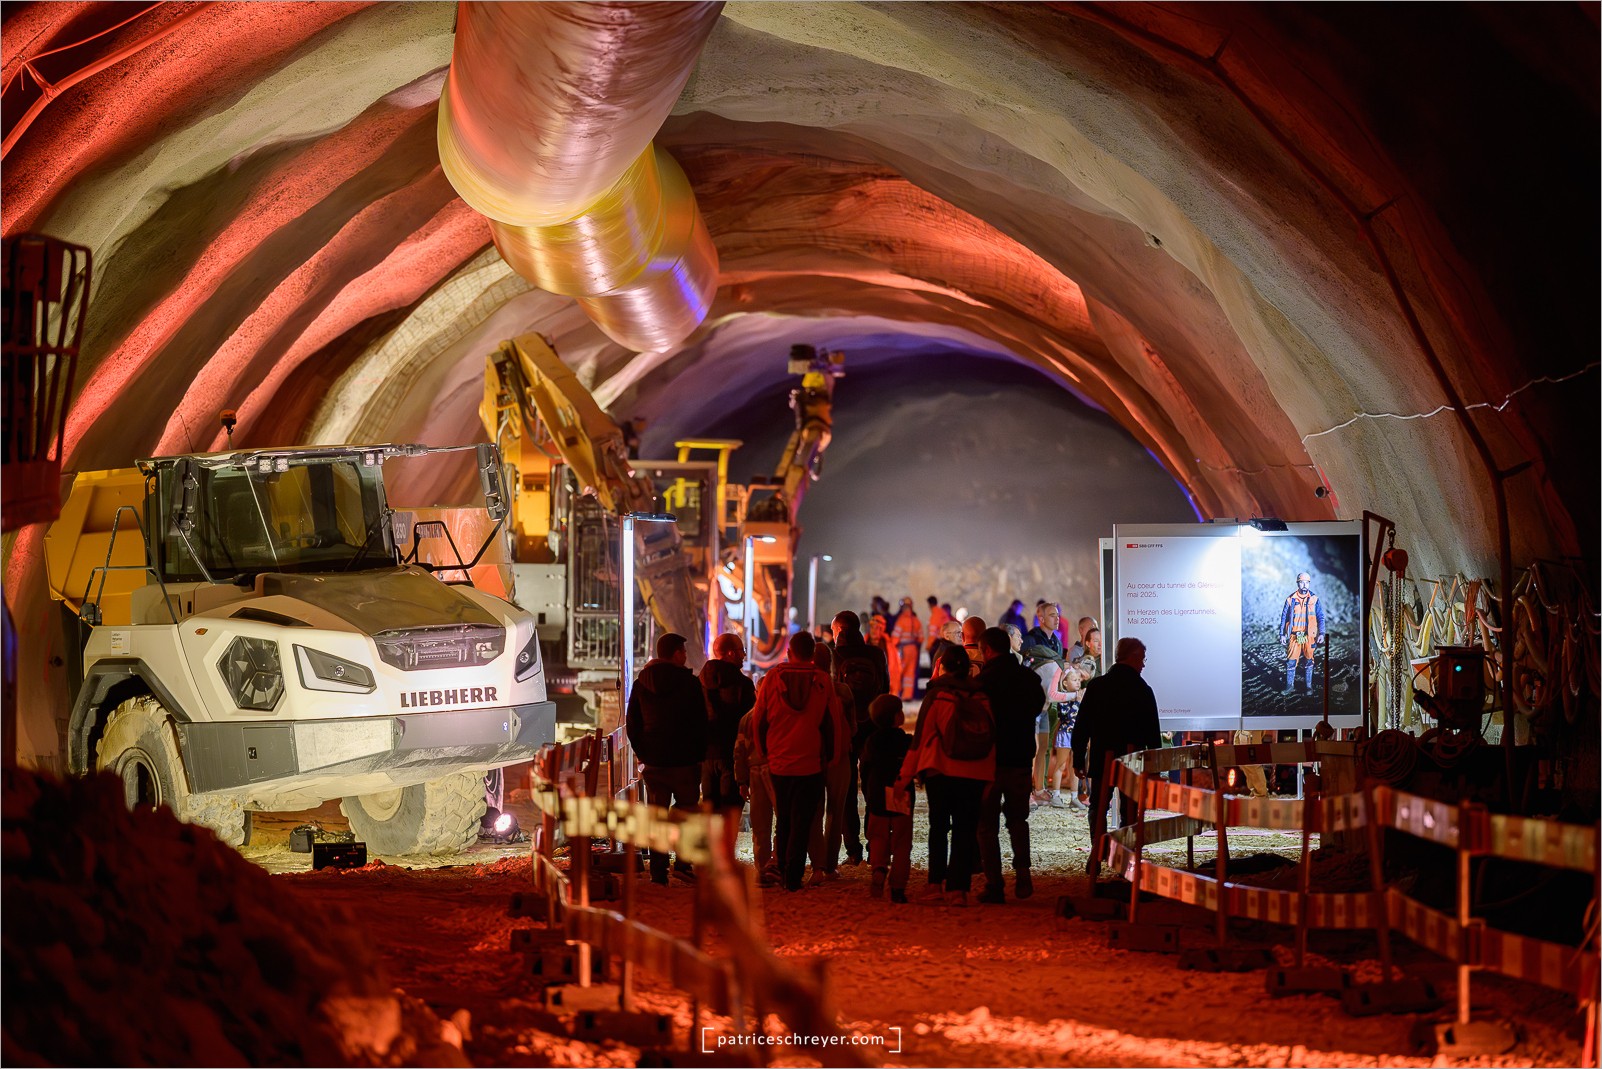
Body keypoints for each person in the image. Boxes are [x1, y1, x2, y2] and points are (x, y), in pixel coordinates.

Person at [894, 645, 995, 906]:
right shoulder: (981, 696)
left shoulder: (938, 695)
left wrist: (904, 776)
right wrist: (990, 776)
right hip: (975, 772)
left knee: (938, 827)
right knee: (964, 830)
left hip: (940, 770)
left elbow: (920, 738)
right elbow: (992, 737)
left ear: (942, 667)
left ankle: (935, 884)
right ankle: (958, 889)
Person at [749, 631, 838, 891]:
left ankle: (784, 869)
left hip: (779, 760)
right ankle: (794, 876)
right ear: (812, 654)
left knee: (784, 817)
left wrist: (764, 751)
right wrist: (830, 756)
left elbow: (760, 719)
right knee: (803, 820)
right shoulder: (822, 680)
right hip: (810, 761)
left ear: (789, 651)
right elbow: (830, 723)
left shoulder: (774, 678)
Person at [1071, 637, 1163, 879]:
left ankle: (1097, 852)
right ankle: (1125, 856)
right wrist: (1156, 768)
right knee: (1129, 811)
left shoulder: (1098, 686)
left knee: (1098, 806)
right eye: (1142, 658)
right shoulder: (1143, 690)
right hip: (1133, 761)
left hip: (1103, 758)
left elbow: (1082, 726)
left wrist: (1078, 757)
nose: (1143, 664)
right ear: (1132, 657)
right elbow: (1153, 733)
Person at [626, 632, 711, 884]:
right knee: (687, 814)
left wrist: (644, 753)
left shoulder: (642, 683)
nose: (685, 656)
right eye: (683, 652)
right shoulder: (690, 683)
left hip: (654, 763)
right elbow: (701, 723)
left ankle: (658, 872)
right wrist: (698, 755)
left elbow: (633, 723)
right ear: (675, 653)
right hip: (684, 762)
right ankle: (683, 865)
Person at [975, 627, 1046, 903]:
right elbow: (1038, 705)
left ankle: (995, 884)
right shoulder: (1027, 678)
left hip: (989, 760)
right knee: (1018, 819)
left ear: (988, 650)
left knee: (986, 825)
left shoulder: (983, 682)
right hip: (1019, 757)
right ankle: (1023, 873)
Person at [831, 610, 891, 865]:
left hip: (845, 727)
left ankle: (852, 850)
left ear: (841, 630)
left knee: (845, 791)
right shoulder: (876, 654)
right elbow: (886, 688)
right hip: (872, 727)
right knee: (873, 787)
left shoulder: (835, 655)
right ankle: (875, 845)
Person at [807, 643, 857, 882]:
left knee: (813, 811)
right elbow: (854, 727)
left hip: (811, 755)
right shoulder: (843, 691)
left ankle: (815, 864)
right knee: (835, 812)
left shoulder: (806, 688)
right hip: (840, 756)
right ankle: (829, 865)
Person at [859, 694, 914, 903]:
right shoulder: (905, 741)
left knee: (878, 836)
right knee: (901, 841)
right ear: (894, 716)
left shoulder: (872, 742)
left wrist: (868, 791)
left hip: (877, 793)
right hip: (900, 791)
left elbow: (865, 768)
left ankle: (879, 869)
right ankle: (898, 887)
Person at [700, 632, 756, 811]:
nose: (744, 655)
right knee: (730, 814)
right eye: (742, 650)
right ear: (731, 653)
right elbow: (750, 723)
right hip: (732, 756)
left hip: (706, 755)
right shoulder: (743, 685)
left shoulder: (699, 682)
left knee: (710, 813)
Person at [733, 703, 777, 883]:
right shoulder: (778, 712)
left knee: (760, 823)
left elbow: (739, 750)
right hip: (777, 769)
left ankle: (762, 867)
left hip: (754, 769)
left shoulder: (747, 717)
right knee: (783, 820)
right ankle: (776, 864)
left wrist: (741, 780)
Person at [1279, 571, 1325, 695]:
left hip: (1309, 636)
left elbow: (1320, 617)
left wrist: (1321, 633)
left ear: (1309, 583)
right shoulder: (1290, 599)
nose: (1304, 585)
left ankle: (1309, 687)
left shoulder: (1314, 599)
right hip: (1295, 636)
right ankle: (1289, 686)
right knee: (1291, 661)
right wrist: (1282, 634)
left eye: (1307, 582)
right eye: (1301, 582)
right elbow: (1284, 618)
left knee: (1309, 660)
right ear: (1298, 583)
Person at [889, 597, 922, 701]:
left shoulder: (901, 620)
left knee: (898, 671)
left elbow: (895, 637)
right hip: (913, 649)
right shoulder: (916, 621)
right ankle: (907, 695)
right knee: (910, 673)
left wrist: (891, 647)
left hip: (902, 649)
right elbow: (921, 638)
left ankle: (895, 694)